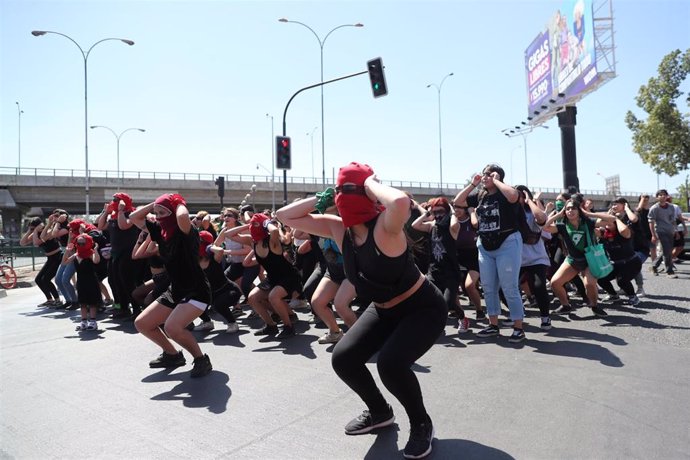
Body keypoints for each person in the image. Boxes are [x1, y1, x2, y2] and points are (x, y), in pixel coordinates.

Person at [276, 162, 446, 460]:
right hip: (382, 310)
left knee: (391, 365)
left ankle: (421, 422)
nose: (342, 197)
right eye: (340, 191)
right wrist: (323, 197)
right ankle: (380, 412)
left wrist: (369, 184)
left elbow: (401, 202)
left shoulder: (386, 226)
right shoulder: (337, 227)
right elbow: (284, 216)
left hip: (422, 308)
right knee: (344, 358)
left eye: (347, 191)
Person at [129, 193, 213, 378]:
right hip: (175, 289)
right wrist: (157, 203)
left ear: (174, 211)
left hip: (196, 291)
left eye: (163, 212)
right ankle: (172, 355)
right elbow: (134, 217)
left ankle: (201, 359)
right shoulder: (160, 230)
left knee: (172, 327)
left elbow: (182, 216)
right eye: (156, 213)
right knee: (142, 323)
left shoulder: (187, 232)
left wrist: (178, 202)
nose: (158, 216)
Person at [454, 164, 526, 343]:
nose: (485, 177)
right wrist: (473, 184)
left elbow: (513, 196)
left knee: (509, 287)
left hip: (508, 242)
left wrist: (496, 180)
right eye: (484, 174)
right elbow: (458, 201)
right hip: (485, 245)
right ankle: (493, 325)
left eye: (489, 174)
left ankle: (518, 328)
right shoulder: (479, 195)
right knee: (488, 286)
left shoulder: (506, 191)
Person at [222, 213, 301, 338]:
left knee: (273, 297)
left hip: (288, 277)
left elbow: (274, 230)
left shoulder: (273, 241)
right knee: (252, 297)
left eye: (256, 225)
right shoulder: (251, 241)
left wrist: (265, 223)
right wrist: (249, 224)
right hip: (273, 278)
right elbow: (228, 234)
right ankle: (271, 326)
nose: (253, 228)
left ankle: (288, 327)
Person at [544, 197, 614, 317]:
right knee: (555, 283)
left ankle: (594, 306)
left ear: (579, 210)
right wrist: (558, 214)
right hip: (573, 260)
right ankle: (565, 305)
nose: (570, 211)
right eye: (568, 209)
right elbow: (545, 227)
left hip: (589, 260)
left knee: (589, 284)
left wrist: (588, 213)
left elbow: (611, 220)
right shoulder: (562, 225)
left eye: (573, 208)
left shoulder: (588, 222)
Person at [411, 196, 470, 332]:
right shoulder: (432, 226)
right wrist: (427, 213)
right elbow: (416, 225)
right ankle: (436, 325)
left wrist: (452, 211)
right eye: (435, 212)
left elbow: (455, 225)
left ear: (447, 211)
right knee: (431, 299)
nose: (437, 215)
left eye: (440, 211)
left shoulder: (451, 225)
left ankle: (462, 318)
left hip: (451, 272)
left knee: (447, 303)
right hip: (434, 270)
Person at [191, 230, 242, 333]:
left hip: (228, 291)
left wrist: (208, 247)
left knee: (218, 304)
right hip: (210, 294)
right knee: (192, 301)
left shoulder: (214, 258)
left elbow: (220, 251)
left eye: (200, 242)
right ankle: (207, 322)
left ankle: (232, 323)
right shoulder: (195, 259)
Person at [20, 217, 63, 307]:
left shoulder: (48, 231)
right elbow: (22, 243)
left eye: (33, 227)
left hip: (57, 257)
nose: (33, 230)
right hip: (50, 258)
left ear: (39, 225)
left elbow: (37, 243)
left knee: (46, 279)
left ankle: (58, 300)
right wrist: (30, 231)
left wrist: (35, 231)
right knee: (38, 279)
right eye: (31, 228)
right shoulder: (35, 233)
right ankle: (50, 300)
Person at [62, 233, 102, 331]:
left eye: (83, 243)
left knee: (92, 302)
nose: (80, 245)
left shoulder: (90, 253)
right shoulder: (76, 255)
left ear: (88, 243)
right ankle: (83, 321)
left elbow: (96, 261)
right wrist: (67, 251)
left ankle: (93, 322)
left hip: (91, 281)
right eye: (78, 243)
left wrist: (95, 250)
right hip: (81, 282)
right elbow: (64, 262)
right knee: (82, 303)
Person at [649, 189, 678, 278]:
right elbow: (651, 222)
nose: (662, 196)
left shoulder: (671, 207)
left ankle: (654, 266)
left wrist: (675, 230)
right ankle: (669, 271)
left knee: (667, 250)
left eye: (664, 195)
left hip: (670, 230)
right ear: (657, 197)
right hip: (660, 231)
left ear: (667, 196)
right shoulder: (654, 208)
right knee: (666, 250)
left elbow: (673, 220)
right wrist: (653, 235)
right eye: (660, 195)